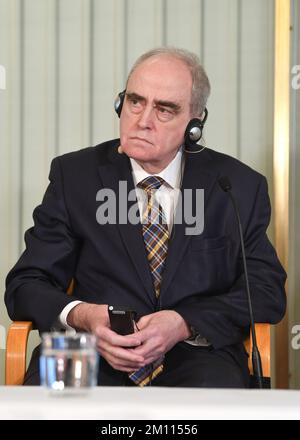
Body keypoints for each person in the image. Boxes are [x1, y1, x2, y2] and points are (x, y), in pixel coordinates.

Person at [5, 47, 286, 388]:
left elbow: (265, 290)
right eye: (135, 102)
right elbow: (26, 284)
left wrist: (184, 322)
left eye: (164, 110)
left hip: (198, 358)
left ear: (195, 123)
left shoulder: (236, 186)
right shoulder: (75, 176)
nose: (142, 120)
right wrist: (82, 316)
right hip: (93, 353)